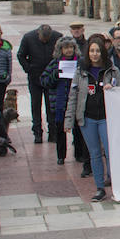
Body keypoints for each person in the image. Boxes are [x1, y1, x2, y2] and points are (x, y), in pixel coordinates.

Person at [65, 38, 120, 202]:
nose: (94, 54)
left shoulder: (112, 70)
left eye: (97, 51)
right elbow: (73, 96)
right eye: (91, 51)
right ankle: (99, 188)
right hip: (88, 118)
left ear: (102, 52)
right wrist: (69, 121)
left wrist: (113, 89)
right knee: (95, 154)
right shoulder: (80, 71)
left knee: (111, 152)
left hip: (106, 117)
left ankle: (117, 185)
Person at [40, 36, 79, 166]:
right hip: (59, 102)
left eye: (71, 47)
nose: (69, 50)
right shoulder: (54, 63)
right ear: (60, 49)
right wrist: (54, 75)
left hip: (76, 101)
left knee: (78, 129)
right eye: (66, 47)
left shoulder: (80, 62)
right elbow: (44, 81)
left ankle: (79, 154)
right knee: (60, 130)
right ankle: (61, 156)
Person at [16, 24, 57, 143]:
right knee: (35, 105)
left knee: (51, 106)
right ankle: (37, 132)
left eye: (47, 39)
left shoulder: (57, 37)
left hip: (51, 78)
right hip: (35, 77)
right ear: (38, 33)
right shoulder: (28, 38)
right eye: (43, 39)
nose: (45, 41)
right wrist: (29, 69)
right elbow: (20, 55)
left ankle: (53, 132)